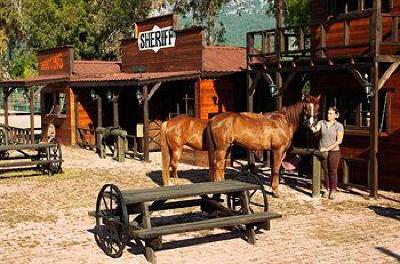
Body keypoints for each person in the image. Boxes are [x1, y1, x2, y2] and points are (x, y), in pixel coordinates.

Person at [310, 106, 344, 199]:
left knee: (333, 171)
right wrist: (311, 125)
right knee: (326, 171)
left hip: (334, 151)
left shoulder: (339, 126)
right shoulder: (322, 122)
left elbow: (339, 140)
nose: (328, 115)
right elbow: (315, 129)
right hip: (323, 151)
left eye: (331, 113)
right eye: (328, 113)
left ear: (336, 115)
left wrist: (328, 148)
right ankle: (327, 189)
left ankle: (333, 190)